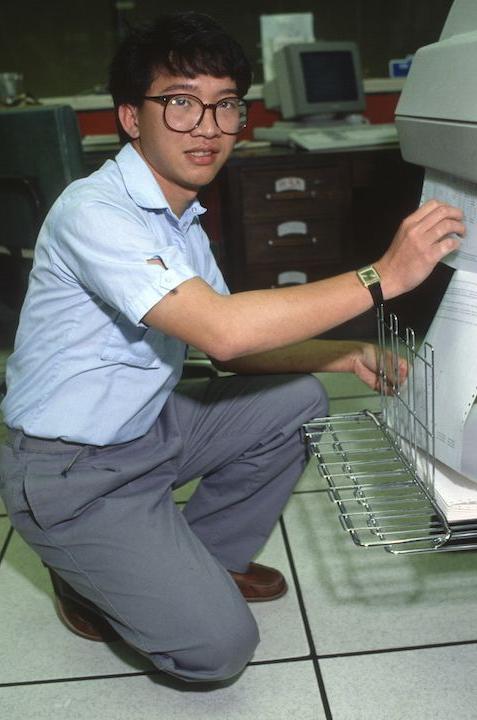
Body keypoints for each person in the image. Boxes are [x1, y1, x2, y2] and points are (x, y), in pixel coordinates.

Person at [0, 11, 464, 684]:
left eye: (224, 107)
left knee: (298, 398)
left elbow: (231, 354)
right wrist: (382, 276)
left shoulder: (181, 215)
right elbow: (223, 330)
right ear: (131, 117)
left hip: (147, 427)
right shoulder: (94, 212)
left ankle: (202, 557)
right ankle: (87, 571)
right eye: (181, 104)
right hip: (73, 472)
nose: (208, 128)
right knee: (217, 651)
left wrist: (337, 354)